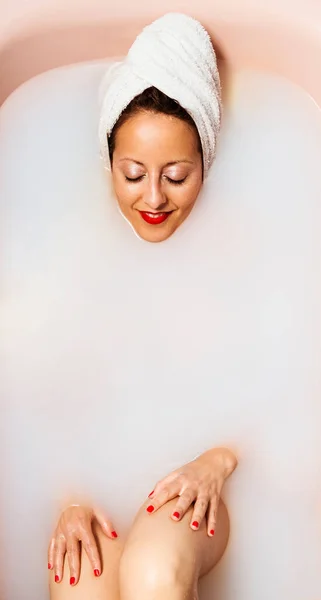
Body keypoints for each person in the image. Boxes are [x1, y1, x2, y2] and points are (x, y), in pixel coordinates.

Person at [48, 13, 238, 600]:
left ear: (205, 162)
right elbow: (42, 398)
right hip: (97, 498)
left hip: (193, 490)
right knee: (78, 581)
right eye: (132, 173)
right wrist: (65, 494)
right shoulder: (67, 259)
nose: (152, 197)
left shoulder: (244, 253)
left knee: (153, 573)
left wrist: (218, 463)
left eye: (176, 175)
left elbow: (284, 402)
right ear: (108, 164)